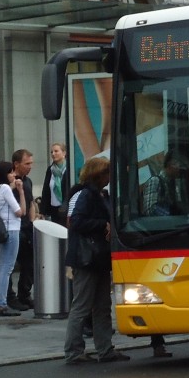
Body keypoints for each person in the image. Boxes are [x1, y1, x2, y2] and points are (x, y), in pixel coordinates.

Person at [65, 156, 128, 364]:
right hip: (88, 257)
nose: (109, 177)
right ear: (97, 175)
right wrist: (103, 224)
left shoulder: (101, 195)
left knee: (101, 304)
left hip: (97, 256)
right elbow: (76, 222)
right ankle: (75, 351)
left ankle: (105, 349)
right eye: (106, 173)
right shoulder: (87, 195)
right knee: (83, 305)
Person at [0, 160, 25, 317]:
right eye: (10, 172)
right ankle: (1, 303)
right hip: (12, 229)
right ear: (4, 174)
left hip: (3, 229)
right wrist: (21, 192)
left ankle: (0, 302)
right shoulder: (5, 188)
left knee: (3, 267)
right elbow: (19, 211)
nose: (14, 174)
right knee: (7, 268)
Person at [6, 148, 37, 311]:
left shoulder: (28, 181)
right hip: (12, 226)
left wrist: (32, 222)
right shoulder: (9, 181)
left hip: (25, 226)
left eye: (31, 163)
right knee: (10, 264)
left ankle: (24, 293)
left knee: (29, 262)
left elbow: (31, 203)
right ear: (16, 164)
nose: (30, 166)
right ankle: (9, 296)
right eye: (27, 164)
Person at [141, 151, 187, 216]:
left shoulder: (174, 184)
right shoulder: (155, 181)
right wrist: (171, 218)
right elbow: (150, 209)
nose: (179, 168)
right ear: (169, 164)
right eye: (177, 164)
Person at [39, 142, 70, 225]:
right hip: (53, 209)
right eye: (51, 152)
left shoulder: (69, 169)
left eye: (56, 151)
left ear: (64, 153)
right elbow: (45, 190)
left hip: (66, 209)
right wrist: (42, 210)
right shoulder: (50, 169)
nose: (53, 154)